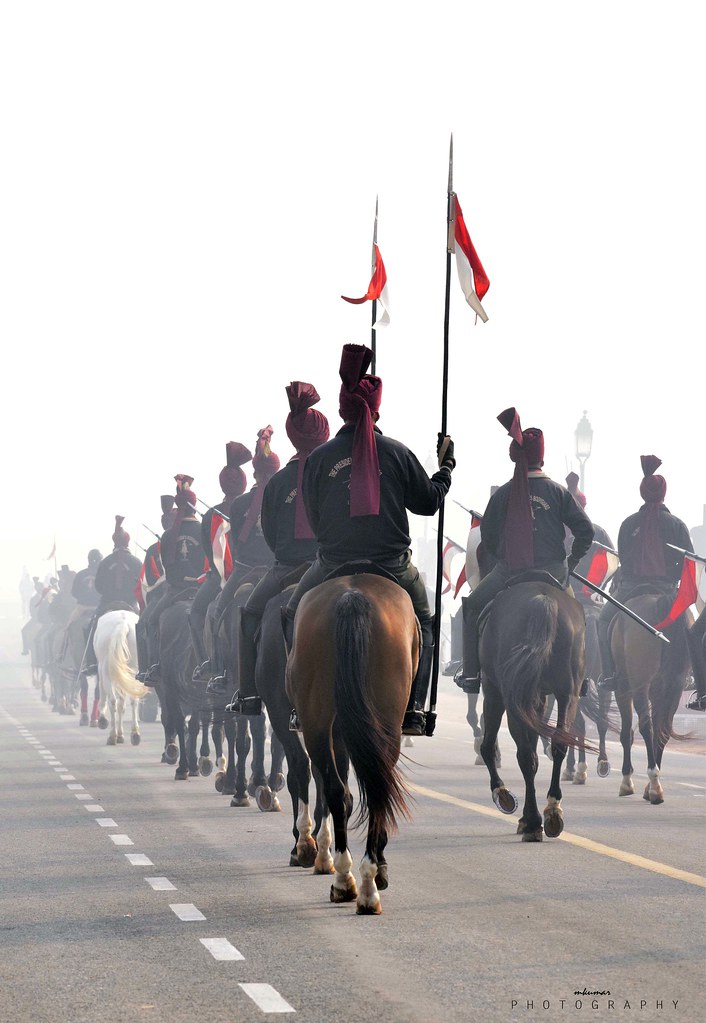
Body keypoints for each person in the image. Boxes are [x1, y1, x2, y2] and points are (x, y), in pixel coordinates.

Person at [283, 343, 456, 736]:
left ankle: (300, 702)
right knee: (425, 622)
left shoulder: (319, 459)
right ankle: (412, 707)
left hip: (332, 564)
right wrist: (445, 467)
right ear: (376, 409)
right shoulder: (397, 453)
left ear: (344, 408)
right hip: (392, 566)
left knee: (291, 614)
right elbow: (429, 503)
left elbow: (312, 518)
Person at [456, 407, 594, 693]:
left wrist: (503, 557)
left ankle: (470, 674)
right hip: (554, 573)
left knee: (470, 608)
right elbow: (586, 531)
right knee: (579, 615)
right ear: (541, 455)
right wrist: (572, 561)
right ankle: (582, 677)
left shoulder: (504, 493)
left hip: (510, 572)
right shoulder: (558, 492)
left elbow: (489, 537)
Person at [228, 381, 330, 713]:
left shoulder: (279, 483)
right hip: (330, 566)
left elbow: (271, 534)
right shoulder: (334, 471)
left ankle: (248, 694)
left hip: (285, 567)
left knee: (249, 615)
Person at [596, 455, 693, 690]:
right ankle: (692, 676)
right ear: (663, 493)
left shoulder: (628, 524)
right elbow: (688, 561)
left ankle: (609, 675)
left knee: (603, 621)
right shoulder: (677, 524)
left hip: (631, 589)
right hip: (668, 590)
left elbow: (625, 561)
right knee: (692, 629)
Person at [206, 428, 279, 694]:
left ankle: (221, 671)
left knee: (216, 613)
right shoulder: (283, 499)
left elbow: (235, 544)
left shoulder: (238, 506)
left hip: (245, 571)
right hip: (278, 571)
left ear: (254, 474)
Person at [190, 441, 252, 682]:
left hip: (223, 577)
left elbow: (209, 553)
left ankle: (211, 664)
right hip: (262, 571)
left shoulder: (210, 515)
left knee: (200, 613)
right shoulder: (252, 506)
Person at [140, 483, 205, 684]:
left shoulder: (168, 535)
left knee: (150, 621)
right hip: (202, 588)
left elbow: (170, 571)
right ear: (194, 505)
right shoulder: (204, 530)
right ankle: (214, 665)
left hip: (175, 591)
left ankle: (153, 667)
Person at [83, 518, 142, 675]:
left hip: (107, 604)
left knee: (91, 627)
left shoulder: (105, 562)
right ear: (128, 543)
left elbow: (98, 587)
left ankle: (91, 663)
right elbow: (142, 586)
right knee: (146, 628)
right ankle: (147, 662)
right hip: (131, 604)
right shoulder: (136, 562)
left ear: (114, 543)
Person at [135, 496, 176, 677]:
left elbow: (149, 582)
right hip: (192, 590)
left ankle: (148, 667)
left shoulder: (155, 548)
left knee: (146, 622)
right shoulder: (154, 549)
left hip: (166, 595)